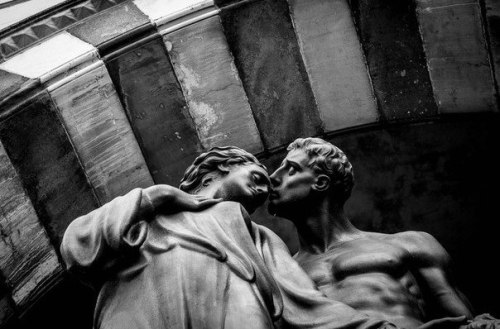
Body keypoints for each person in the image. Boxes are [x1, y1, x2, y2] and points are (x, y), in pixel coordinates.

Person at [60, 146, 397, 329]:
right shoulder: (146, 214)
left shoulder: (257, 234)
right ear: (220, 168)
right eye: (257, 175)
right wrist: (158, 197)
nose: (266, 188)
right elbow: (78, 248)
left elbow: (305, 302)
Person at [268, 137, 499, 329]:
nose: (272, 178)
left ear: (320, 182)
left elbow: (465, 319)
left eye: (291, 170)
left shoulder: (410, 243)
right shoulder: (282, 274)